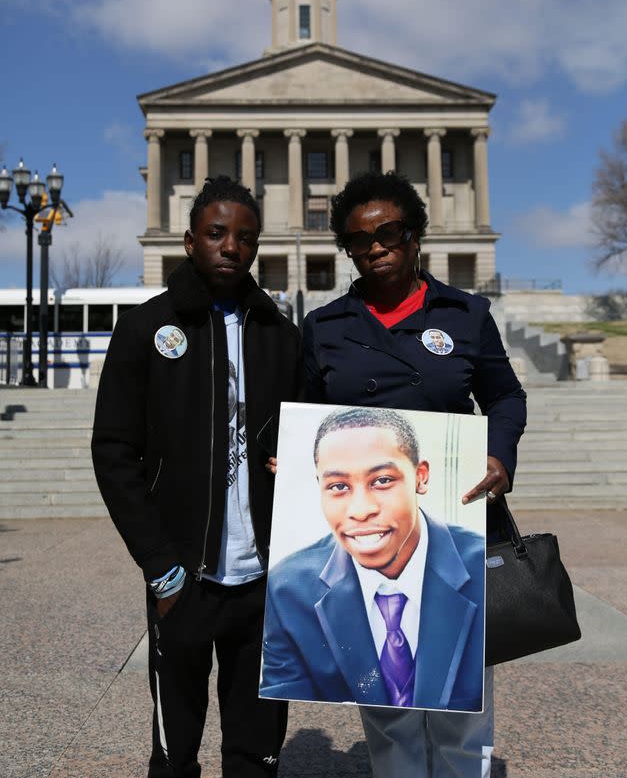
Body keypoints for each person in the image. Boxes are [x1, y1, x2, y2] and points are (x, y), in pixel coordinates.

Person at [301, 171, 527, 778]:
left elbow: (505, 397)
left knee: (460, 704)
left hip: (454, 523)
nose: (375, 247)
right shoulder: (325, 327)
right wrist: (290, 458)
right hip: (372, 534)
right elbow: (300, 419)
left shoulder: (465, 314)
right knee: (388, 705)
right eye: (358, 239)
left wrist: (499, 454)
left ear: (416, 236)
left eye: (389, 232)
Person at [92, 176, 301, 778]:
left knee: (256, 750)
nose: (231, 246)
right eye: (216, 233)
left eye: (245, 237)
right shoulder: (145, 330)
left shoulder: (280, 336)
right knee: (175, 749)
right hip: (184, 575)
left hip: (263, 580)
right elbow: (113, 451)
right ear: (189, 241)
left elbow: (311, 441)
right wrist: (159, 563)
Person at [260, 406, 485, 711]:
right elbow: (283, 686)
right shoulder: (288, 588)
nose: (361, 509)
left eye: (381, 481)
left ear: (420, 477)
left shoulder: (480, 567)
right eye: (338, 487)